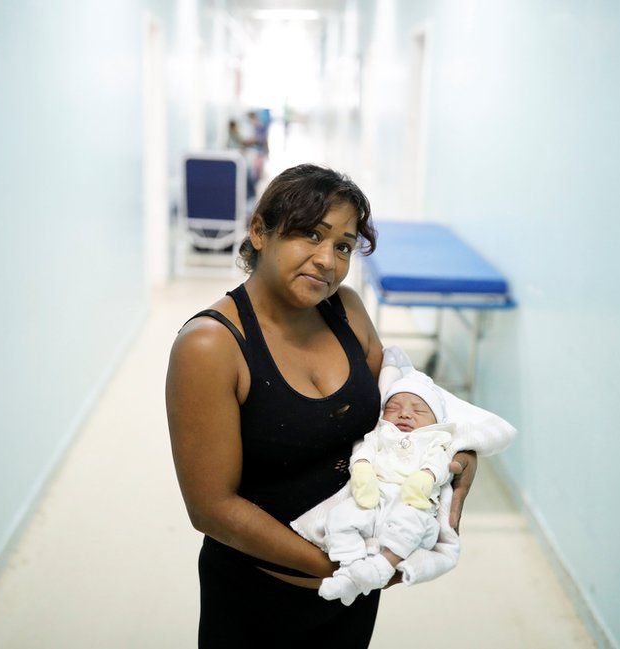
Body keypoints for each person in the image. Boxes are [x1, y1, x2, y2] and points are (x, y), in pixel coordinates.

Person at [165, 164, 478, 648]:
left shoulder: (347, 311)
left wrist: (457, 449)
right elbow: (212, 507)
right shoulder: (211, 346)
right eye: (310, 234)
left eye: (343, 246)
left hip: (352, 599)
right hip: (259, 602)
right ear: (259, 231)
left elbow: (400, 406)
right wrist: (336, 569)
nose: (327, 260)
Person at [319, 369, 457, 606]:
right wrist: (362, 469)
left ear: (435, 420)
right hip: (374, 494)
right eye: (394, 407)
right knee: (340, 517)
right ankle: (350, 567)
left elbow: (440, 464)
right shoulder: (380, 434)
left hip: (412, 501)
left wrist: (426, 476)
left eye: (418, 409)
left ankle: (382, 565)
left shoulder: (435, 440)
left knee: (410, 523)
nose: (404, 414)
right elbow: (364, 452)